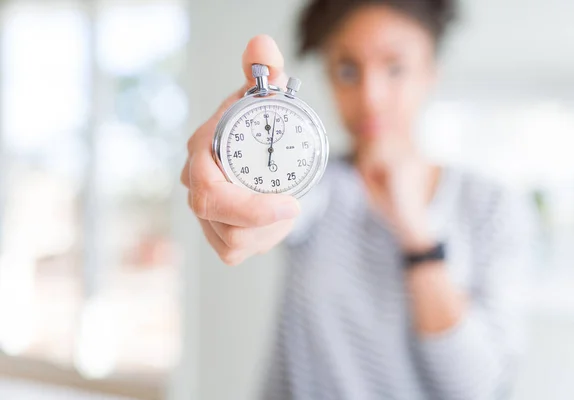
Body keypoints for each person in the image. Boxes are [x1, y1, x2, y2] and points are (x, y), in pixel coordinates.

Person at [181, 0, 534, 398]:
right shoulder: (316, 183)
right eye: (347, 70)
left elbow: (478, 386)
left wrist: (416, 234)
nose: (370, 96)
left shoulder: (490, 206)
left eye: (395, 67)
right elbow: (279, 213)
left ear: (432, 72)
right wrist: (246, 206)